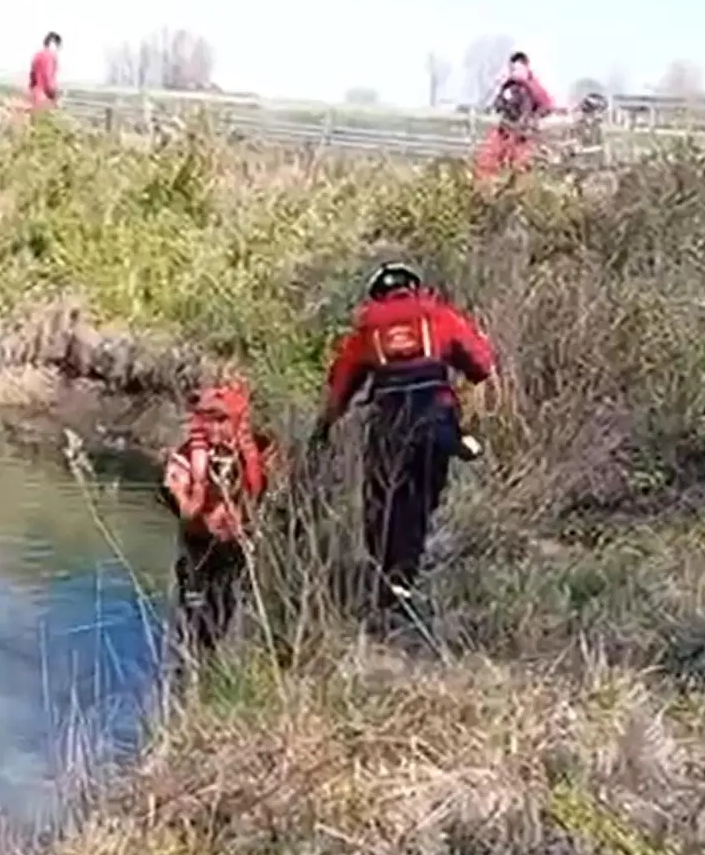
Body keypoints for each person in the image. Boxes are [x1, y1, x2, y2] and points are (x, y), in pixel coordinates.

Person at [310, 263, 496, 614]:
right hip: (437, 423)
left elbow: (341, 386)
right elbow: (482, 364)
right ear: (414, 287)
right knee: (421, 504)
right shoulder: (438, 314)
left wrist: (324, 428)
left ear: (377, 292)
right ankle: (403, 582)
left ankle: (388, 580)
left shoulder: (368, 326)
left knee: (382, 502)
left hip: (389, 425)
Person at [159, 381, 272, 661]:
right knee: (194, 615)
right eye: (206, 420)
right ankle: (191, 672)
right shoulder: (186, 457)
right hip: (198, 546)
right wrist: (199, 491)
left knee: (227, 610)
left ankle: (218, 672)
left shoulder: (258, 451)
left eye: (222, 420)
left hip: (236, 547)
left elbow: (274, 496)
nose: (213, 429)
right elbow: (181, 508)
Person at [474, 52, 554, 179]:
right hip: (504, 132)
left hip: (523, 136)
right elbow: (495, 106)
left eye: (520, 65)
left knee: (520, 170)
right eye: (515, 65)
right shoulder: (507, 86)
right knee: (488, 165)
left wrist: (525, 82)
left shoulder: (532, 85)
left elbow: (547, 105)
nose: (517, 68)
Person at [28, 31, 62, 112]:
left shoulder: (37, 54)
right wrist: (53, 96)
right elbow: (48, 76)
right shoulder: (51, 56)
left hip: (35, 94)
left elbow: (32, 75)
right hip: (45, 97)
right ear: (54, 43)